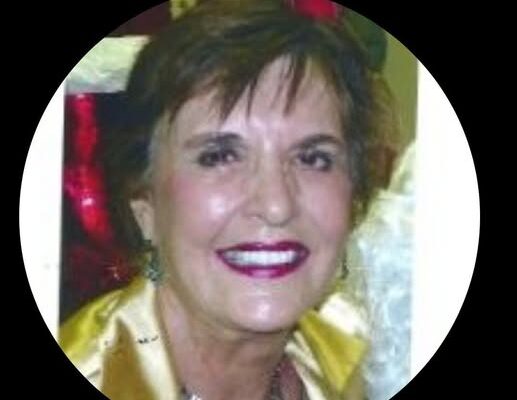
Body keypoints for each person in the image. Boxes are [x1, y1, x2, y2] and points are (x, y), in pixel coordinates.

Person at [60, 1, 393, 399]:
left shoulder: (368, 372)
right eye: (219, 156)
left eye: (313, 158)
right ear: (144, 205)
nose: (276, 205)